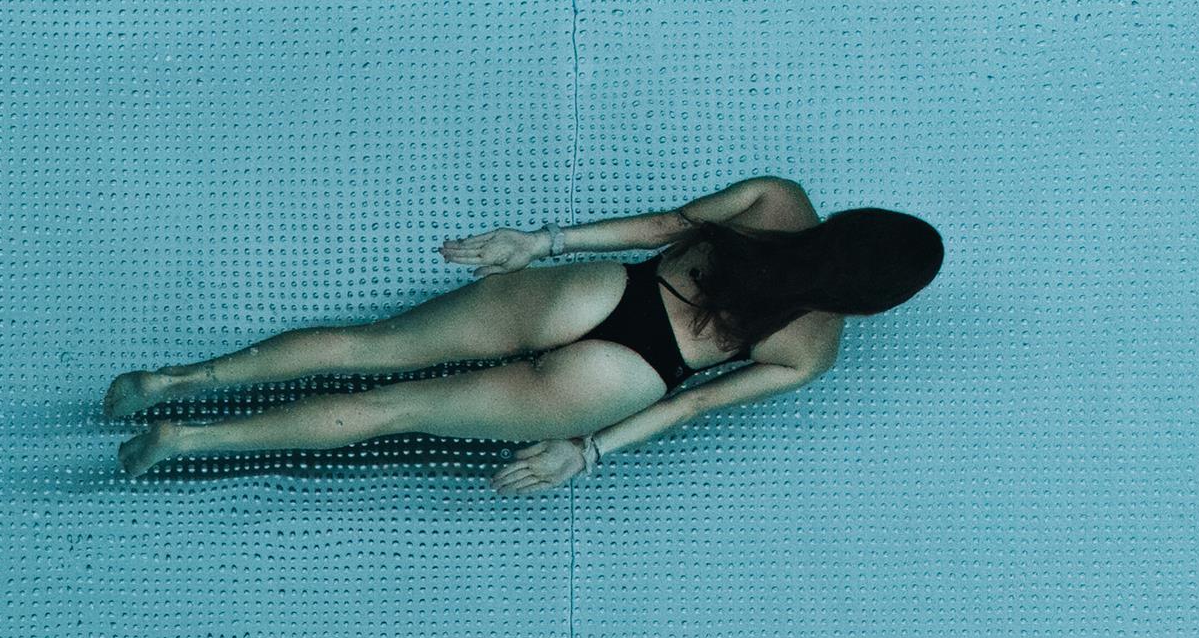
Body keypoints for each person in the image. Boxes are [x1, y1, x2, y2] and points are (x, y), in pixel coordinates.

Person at [108, 179, 942, 486]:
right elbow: (690, 407)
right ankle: (186, 441)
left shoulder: (777, 202)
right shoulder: (812, 349)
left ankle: (175, 384)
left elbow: (663, 226)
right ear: (873, 300)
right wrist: (587, 450)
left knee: (372, 347)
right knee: (394, 409)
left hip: (598, 293)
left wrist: (539, 243)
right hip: (623, 377)